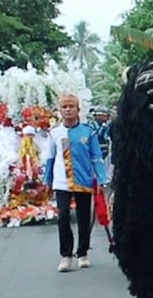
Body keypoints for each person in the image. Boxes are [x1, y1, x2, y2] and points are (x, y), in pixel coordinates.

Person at [43, 93, 107, 272]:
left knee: (83, 217)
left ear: (78, 109)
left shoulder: (88, 131)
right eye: (64, 107)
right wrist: (47, 180)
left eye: (71, 106)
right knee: (63, 216)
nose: (68, 110)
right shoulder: (54, 133)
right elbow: (49, 158)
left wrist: (101, 179)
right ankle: (66, 255)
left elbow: (96, 157)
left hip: (83, 179)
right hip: (61, 181)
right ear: (60, 110)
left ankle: (83, 252)